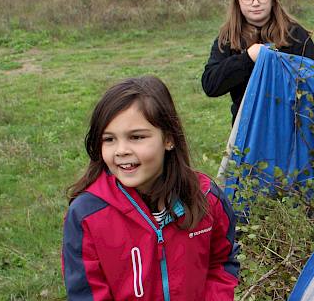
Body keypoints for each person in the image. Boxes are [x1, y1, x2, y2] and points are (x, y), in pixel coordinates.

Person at [62, 76, 239, 300]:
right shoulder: (87, 215)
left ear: (169, 139)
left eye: (136, 137)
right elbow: (85, 293)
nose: (121, 150)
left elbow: (222, 262)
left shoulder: (205, 197)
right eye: (109, 139)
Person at [202, 0, 314, 123]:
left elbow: (312, 84)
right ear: (239, 1)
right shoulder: (228, 38)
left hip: (290, 124)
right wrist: (247, 58)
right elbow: (211, 85)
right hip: (247, 128)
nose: (255, 3)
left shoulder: (295, 35)